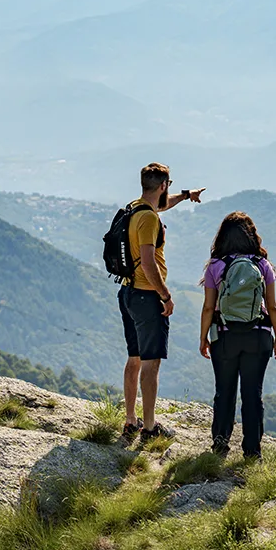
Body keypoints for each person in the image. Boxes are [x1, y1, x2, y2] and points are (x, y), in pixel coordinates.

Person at [120, 162, 204, 442]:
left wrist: (185, 195)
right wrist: (165, 295)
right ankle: (150, 427)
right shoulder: (150, 220)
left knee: (134, 358)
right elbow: (148, 262)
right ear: (163, 185)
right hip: (147, 296)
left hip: (128, 291)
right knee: (151, 363)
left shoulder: (135, 208)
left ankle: (131, 420)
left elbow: (160, 206)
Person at [199, 212, 276, 459]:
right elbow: (273, 306)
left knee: (224, 391)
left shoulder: (216, 266)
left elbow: (208, 307)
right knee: (252, 394)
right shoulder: (262, 265)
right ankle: (252, 450)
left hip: (224, 337)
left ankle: (220, 443)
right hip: (258, 336)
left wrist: (203, 337)